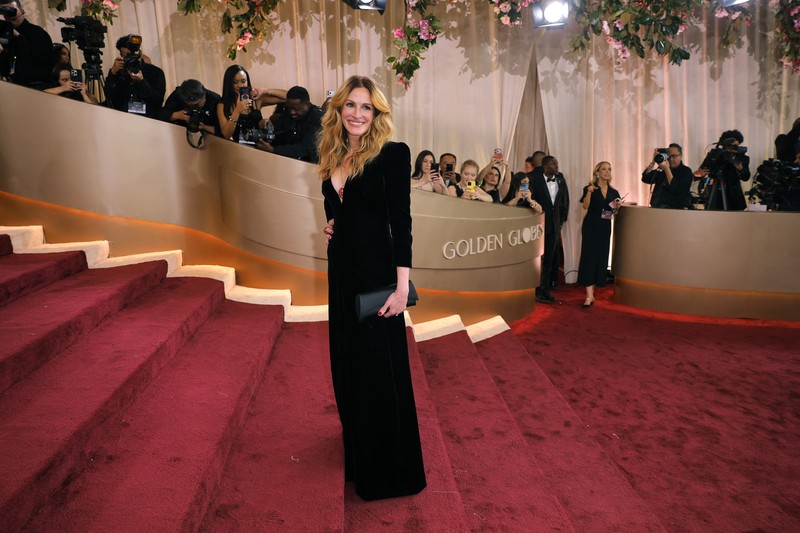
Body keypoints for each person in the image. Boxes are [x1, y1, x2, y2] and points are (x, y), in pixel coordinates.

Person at [318, 75, 426, 501]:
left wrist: (402, 289)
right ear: (339, 110)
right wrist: (332, 224)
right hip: (341, 274)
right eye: (350, 106)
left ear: (377, 113)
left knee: (380, 370)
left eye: (366, 107)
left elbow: (401, 223)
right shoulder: (331, 155)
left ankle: (391, 471)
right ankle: (360, 451)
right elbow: (339, 210)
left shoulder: (393, 154)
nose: (357, 114)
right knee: (349, 365)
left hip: (378, 278)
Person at [577, 161, 621, 308]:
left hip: (605, 227)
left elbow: (614, 213)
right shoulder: (590, 188)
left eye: (609, 169)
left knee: (600, 258)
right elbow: (585, 206)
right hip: (590, 226)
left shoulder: (614, 192)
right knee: (589, 258)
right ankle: (589, 295)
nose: (607, 172)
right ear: (597, 172)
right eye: (603, 169)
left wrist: (617, 208)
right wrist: (589, 192)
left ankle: (594, 289)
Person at [530, 155, 569, 303]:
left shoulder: (560, 179)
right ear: (545, 166)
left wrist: (561, 220)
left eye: (557, 163)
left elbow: (564, 200)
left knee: (550, 260)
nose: (557, 166)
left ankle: (544, 291)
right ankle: (534, 288)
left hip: (554, 225)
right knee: (538, 259)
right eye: (553, 164)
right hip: (539, 225)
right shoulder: (535, 180)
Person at [217, 64, 286, 141]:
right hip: (238, 148)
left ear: (248, 81)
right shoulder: (222, 105)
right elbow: (226, 135)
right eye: (235, 82)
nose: (240, 85)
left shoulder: (256, 99)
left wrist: (265, 91)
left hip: (260, 145)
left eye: (243, 81)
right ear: (229, 83)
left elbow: (288, 97)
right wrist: (236, 111)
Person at [104, 35, 166, 119]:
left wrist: (142, 81)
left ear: (140, 53)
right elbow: (109, 96)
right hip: (122, 119)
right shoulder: (119, 71)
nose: (131, 59)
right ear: (121, 55)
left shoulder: (155, 72)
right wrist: (112, 73)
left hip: (149, 121)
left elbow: (157, 100)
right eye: (127, 56)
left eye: (133, 56)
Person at [256, 85, 322, 162]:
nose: (292, 112)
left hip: (311, 163)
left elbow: (304, 148)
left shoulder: (317, 118)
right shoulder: (287, 113)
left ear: (307, 104)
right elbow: (278, 133)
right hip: (288, 161)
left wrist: (273, 150)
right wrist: (268, 129)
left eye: (296, 109)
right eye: (289, 108)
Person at [0, 0, 53, 88]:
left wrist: (18, 36)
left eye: (12, 10)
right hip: (14, 86)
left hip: (37, 87)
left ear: (22, 11)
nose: (9, 15)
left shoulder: (37, 32)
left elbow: (40, 60)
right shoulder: (6, 34)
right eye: (5, 12)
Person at [697, 131, 750, 211]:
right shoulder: (715, 155)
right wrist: (701, 175)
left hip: (734, 198)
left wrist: (740, 169)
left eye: (736, 146)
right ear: (724, 145)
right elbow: (702, 172)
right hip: (714, 196)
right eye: (731, 146)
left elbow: (746, 177)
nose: (733, 149)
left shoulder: (741, 158)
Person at [641, 143, 693, 209]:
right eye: (669, 156)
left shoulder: (686, 171)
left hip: (675, 211)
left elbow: (677, 190)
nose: (671, 159)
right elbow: (645, 178)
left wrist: (667, 170)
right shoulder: (661, 169)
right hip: (656, 208)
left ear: (681, 156)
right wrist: (653, 162)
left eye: (674, 156)